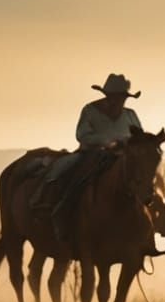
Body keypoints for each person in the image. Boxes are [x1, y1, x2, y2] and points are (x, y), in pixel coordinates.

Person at [37, 73, 144, 244]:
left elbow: (140, 138)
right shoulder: (90, 110)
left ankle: (147, 229)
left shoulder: (130, 114)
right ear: (108, 96)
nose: (119, 101)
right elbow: (82, 135)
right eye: (116, 97)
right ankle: (59, 211)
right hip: (91, 155)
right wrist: (108, 142)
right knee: (68, 174)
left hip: (123, 159)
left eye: (122, 97)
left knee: (143, 183)